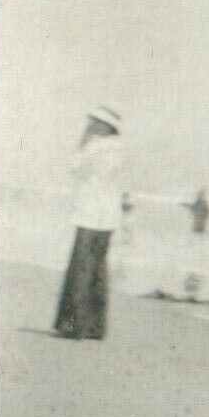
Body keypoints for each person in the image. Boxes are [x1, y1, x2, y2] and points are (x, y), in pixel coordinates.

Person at [53, 106, 126, 340]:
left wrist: (83, 141)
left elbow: (74, 167)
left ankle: (74, 325)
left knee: (81, 268)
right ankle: (96, 326)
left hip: (90, 214)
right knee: (98, 270)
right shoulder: (121, 148)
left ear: (104, 126)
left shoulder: (96, 146)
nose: (90, 125)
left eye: (94, 121)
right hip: (109, 217)